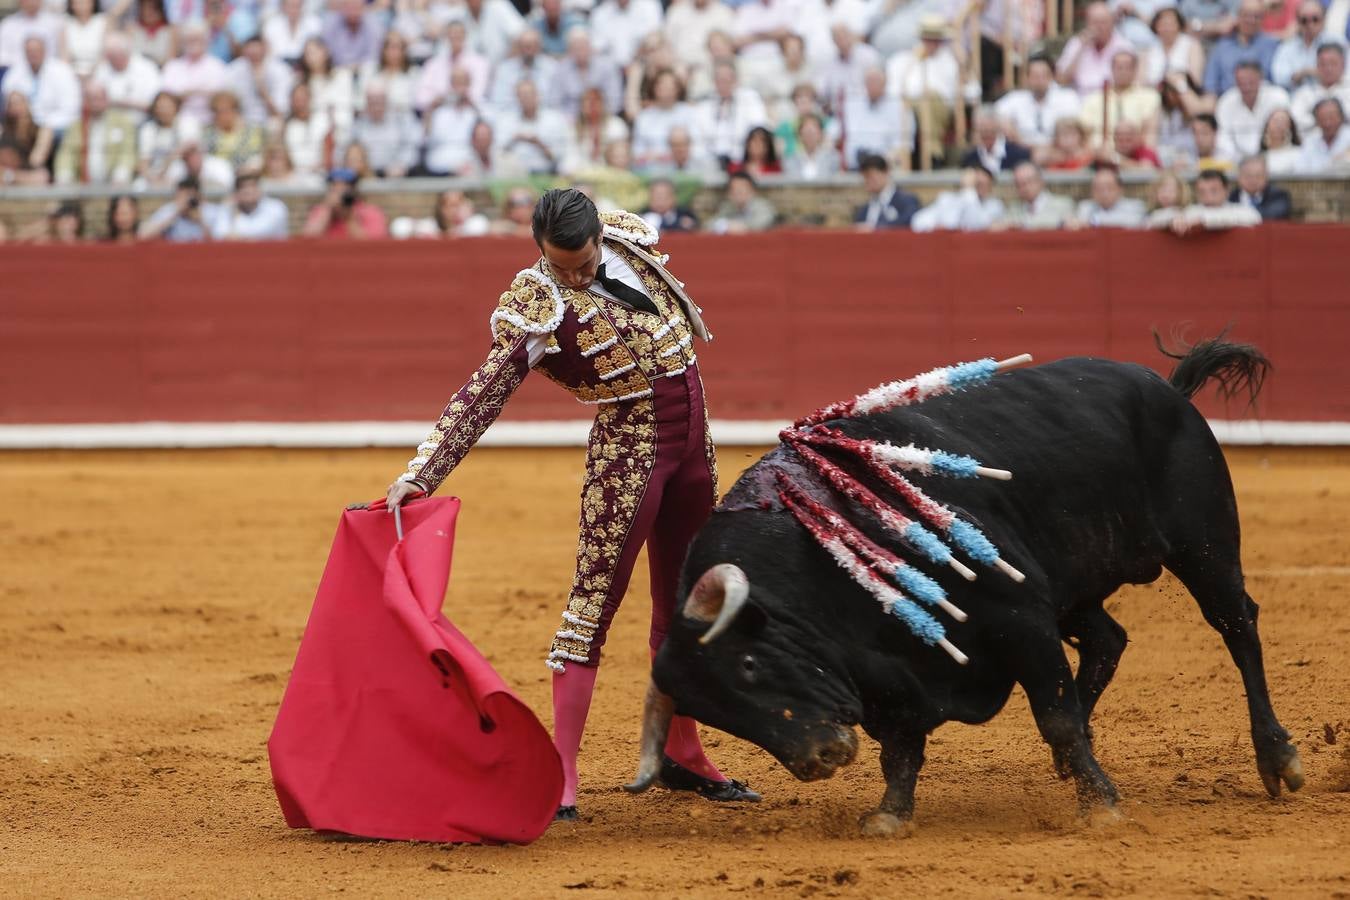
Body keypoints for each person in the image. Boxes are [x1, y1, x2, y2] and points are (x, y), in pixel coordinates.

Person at [379, 189, 756, 823]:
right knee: (592, 606)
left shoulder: (627, 241)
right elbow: (486, 390)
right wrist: (424, 471)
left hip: (695, 443)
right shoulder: (538, 300)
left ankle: (681, 752)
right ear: (541, 252)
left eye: (585, 263)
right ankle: (562, 772)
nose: (578, 276)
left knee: (689, 599)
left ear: (599, 239)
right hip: (628, 453)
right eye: (564, 266)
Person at [53, 81, 137, 183]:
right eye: (91, 99)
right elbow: (66, 153)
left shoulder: (123, 123)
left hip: (114, 185)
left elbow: (127, 153)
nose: (95, 103)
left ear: (106, 99)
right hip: (81, 186)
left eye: (98, 99)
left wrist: (121, 175)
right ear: (85, 101)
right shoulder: (76, 126)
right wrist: (64, 175)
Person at [996, 55, 1083, 153]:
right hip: (1022, 152)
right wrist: (1005, 123)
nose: (1039, 80)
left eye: (1044, 76)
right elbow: (992, 113)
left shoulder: (1067, 98)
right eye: (1035, 76)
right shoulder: (1015, 98)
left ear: (1052, 77)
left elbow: (1075, 130)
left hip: (1058, 152)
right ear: (1027, 78)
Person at [1078, 49, 1162, 148]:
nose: (1123, 71)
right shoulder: (1093, 99)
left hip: (1134, 155)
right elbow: (1083, 133)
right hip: (1098, 154)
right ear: (1112, 69)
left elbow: (1149, 135)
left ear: (1135, 70)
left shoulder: (1150, 97)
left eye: (1127, 67)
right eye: (1119, 67)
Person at [840, 66, 912, 169]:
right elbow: (837, 133)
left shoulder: (900, 108)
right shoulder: (853, 104)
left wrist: (880, 161)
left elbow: (904, 146)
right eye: (869, 82)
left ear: (885, 83)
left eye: (876, 82)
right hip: (854, 167)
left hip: (884, 168)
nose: (872, 86)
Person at [1057, 1, 1136, 96]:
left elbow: (1133, 82)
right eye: (1094, 22)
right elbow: (1061, 80)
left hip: (1114, 98)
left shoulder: (1124, 46)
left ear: (1112, 22)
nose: (1099, 27)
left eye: (1103, 22)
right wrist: (1081, 49)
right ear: (1087, 23)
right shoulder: (1077, 43)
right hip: (1080, 100)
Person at [1215, 60, 1291, 158]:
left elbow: (1288, 133)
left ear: (1260, 79)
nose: (1246, 87)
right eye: (1241, 83)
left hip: (1275, 156)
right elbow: (1223, 138)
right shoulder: (1226, 102)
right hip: (1237, 160)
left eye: (1250, 82)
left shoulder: (1278, 97)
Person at [1204, 0, 1280, 96]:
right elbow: (1210, 84)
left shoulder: (1271, 44)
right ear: (1238, 17)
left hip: (1261, 99)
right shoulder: (1223, 46)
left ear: (1263, 19)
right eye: (1247, 15)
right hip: (1227, 100)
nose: (1251, 20)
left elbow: (1276, 80)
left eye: (1256, 16)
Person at [1156, 167, 1262, 232]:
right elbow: (1154, 220)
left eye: (1214, 190)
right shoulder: (1191, 211)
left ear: (1226, 190)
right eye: (1202, 191)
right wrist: (1172, 221)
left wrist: (1203, 220)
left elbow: (1255, 217)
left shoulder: (1239, 210)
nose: (1208, 196)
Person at [911, 162, 1005, 232]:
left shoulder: (995, 205)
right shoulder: (948, 199)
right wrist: (934, 226)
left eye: (982, 185)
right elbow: (918, 221)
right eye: (976, 184)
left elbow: (976, 224)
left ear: (990, 187)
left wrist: (969, 191)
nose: (978, 188)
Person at [1271, 0, 1342, 90]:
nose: (1310, 24)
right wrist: (1302, 74)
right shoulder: (1288, 47)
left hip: (1334, 93)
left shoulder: (1337, 42)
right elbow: (1278, 77)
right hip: (1298, 97)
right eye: (1304, 20)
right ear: (1298, 22)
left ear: (1324, 19)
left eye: (1315, 19)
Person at [302, 167, 387, 238]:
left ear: (354, 190)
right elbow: (307, 240)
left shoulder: (371, 212)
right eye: (334, 187)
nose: (339, 191)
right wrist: (328, 211)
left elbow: (373, 245)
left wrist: (349, 217)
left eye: (344, 187)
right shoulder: (321, 211)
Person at [1290, 44, 1350, 135]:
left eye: (1333, 63)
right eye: (1323, 64)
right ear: (1316, 66)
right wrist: (1321, 120)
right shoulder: (1305, 92)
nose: (1328, 68)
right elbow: (1295, 119)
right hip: (1311, 144)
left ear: (1343, 65)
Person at [211, 170, 290, 240]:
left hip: (273, 254)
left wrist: (236, 236)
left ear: (260, 189)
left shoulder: (276, 207)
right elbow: (218, 235)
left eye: (252, 186)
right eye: (243, 187)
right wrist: (234, 211)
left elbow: (262, 232)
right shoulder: (228, 207)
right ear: (236, 192)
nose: (248, 191)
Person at [996, 161, 1076, 229]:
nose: (1025, 188)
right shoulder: (1014, 209)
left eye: (1029, 182)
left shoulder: (1063, 204)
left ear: (1041, 181)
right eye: (1019, 184)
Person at [138, 175, 219, 241]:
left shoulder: (209, 211)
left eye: (189, 196)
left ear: (198, 196)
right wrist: (175, 213)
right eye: (182, 196)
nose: (187, 200)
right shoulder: (170, 210)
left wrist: (201, 221)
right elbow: (144, 235)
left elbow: (219, 242)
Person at [853, 153, 919, 229]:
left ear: (886, 172)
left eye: (870, 176)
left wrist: (874, 229)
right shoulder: (863, 210)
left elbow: (909, 223)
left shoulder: (907, 201)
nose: (867, 181)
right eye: (864, 177)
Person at [961, 106, 1033, 172]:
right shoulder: (970, 158)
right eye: (982, 131)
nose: (987, 135)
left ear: (998, 129)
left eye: (991, 131)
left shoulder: (1019, 154)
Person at [1073, 164, 1148, 226]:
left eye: (1109, 188)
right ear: (1092, 191)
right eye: (1098, 188)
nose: (1104, 193)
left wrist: (1092, 222)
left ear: (1120, 189)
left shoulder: (1135, 206)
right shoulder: (1085, 207)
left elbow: (1132, 222)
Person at [707, 170, 777, 232]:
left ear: (752, 191)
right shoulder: (727, 207)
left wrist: (743, 226)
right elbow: (709, 225)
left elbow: (764, 222)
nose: (738, 192)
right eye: (734, 189)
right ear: (728, 193)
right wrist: (724, 226)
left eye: (742, 189)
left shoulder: (762, 206)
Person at [1229, 153, 1291, 218]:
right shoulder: (1230, 197)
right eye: (1248, 176)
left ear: (1266, 176)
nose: (1253, 180)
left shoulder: (1279, 196)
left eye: (1258, 176)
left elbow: (1274, 214)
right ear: (1239, 177)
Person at [783, 111, 842, 178]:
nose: (810, 133)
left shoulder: (833, 157)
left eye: (813, 129)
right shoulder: (791, 159)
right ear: (800, 134)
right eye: (806, 130)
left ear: (821, 133)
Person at [1298, 96, 1350, 169]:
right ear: (1316, 121)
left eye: (1331, 118)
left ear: (1341, 117)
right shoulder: (1310, 140)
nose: (1327, 123)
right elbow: (1300, 169)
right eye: (1323, 118)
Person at [1260, 107, 1304, 173]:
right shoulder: (1260, 156)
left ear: (1290, 127)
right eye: (1275, 121)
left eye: (1283, 122)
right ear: (1267, 125)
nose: (1278, 125)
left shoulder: (1299, 154)